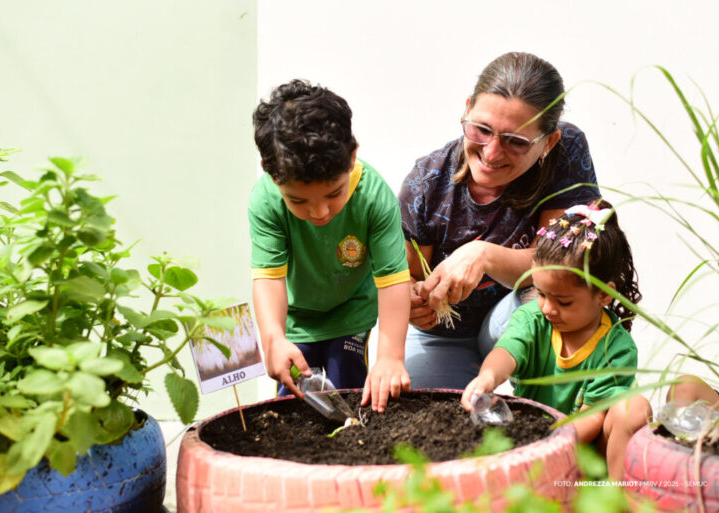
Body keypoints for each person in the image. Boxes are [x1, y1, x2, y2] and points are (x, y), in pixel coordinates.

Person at [399, 52, 601, 389]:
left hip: (516, 313)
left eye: (516, 142)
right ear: (467, 109)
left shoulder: (566, 153)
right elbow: (404, 276)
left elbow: (563, 264)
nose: (491, 153)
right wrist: (412, 299)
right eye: (481, 130)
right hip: (444, 334)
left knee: (549, 302)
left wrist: (483, 254)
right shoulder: (425, 183)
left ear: (548, 142)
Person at [248, 79, 411, 412]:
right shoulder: (266, 200)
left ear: (352, 157)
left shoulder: (374, 198)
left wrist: (390, 356)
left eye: (334, 194)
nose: (319, 212)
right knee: (295, 397)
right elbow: (269, 278)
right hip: (295, 317)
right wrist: (274, 338)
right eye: (298, 200)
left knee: (350, 392)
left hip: (351, 311)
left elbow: (393, 280)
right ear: (269, 173)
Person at [461, 201, 651, 479]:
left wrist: (545, 440)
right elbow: (507, 352)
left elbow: (592, 419)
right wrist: (488, 377)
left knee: (633, 409)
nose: (548, 308)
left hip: (587, 454)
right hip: (533, 449)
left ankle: (616, 498)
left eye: (563, 301)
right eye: (541, 294)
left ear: (603, 294)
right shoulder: (533, 320)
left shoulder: (616, 348)